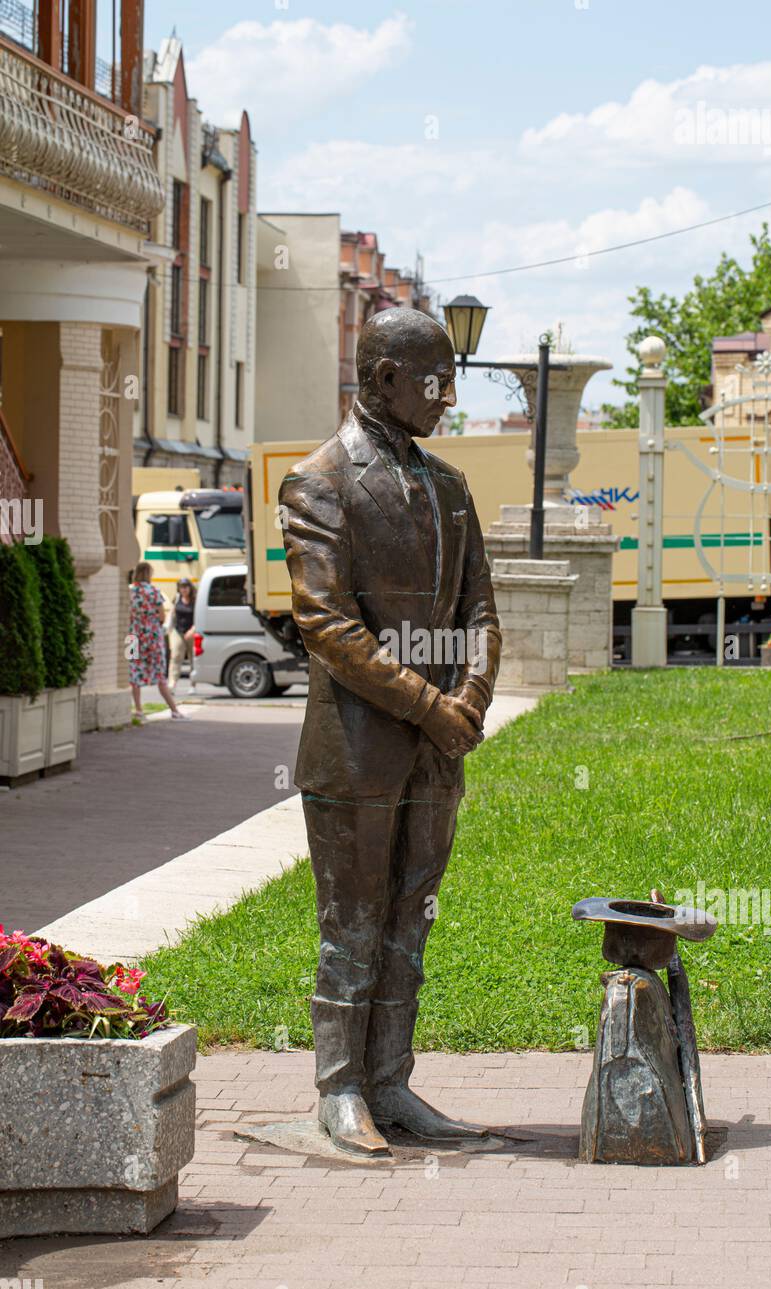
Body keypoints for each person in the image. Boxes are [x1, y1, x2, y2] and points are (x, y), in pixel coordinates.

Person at [279, 307, 501, 1156]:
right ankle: (339, 1092)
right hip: (356, 748)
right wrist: (429, 704)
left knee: (413, 916)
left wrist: (472, 695)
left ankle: (391, 1083)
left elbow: (481, 605)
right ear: (384, 381)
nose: (447, 398)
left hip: (435, 750)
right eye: (435, 381)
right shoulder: (318, 482)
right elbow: (328, 626)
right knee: (352, 922)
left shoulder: (449, 486)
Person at [128, 562, 188, 720]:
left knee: (133, 671)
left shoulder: (129, 591)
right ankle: (174, 710)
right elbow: (161, 616)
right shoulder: (154, 591)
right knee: (160, 673)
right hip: (152, 637)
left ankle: (138, 709)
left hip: (132, 637)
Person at [167, 578, 197, 691]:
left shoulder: (195, 600)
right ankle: (172, 683)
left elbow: (198, 616)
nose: (183, 589)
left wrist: (192, 630)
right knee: (175, 656)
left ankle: (193, 684)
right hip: (178, 631)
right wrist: (168, 626)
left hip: (192, 631)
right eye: (181, 587)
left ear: (190, 588)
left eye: (185, 587)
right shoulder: (177, 598)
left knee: (193, 658)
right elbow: (172, 613)